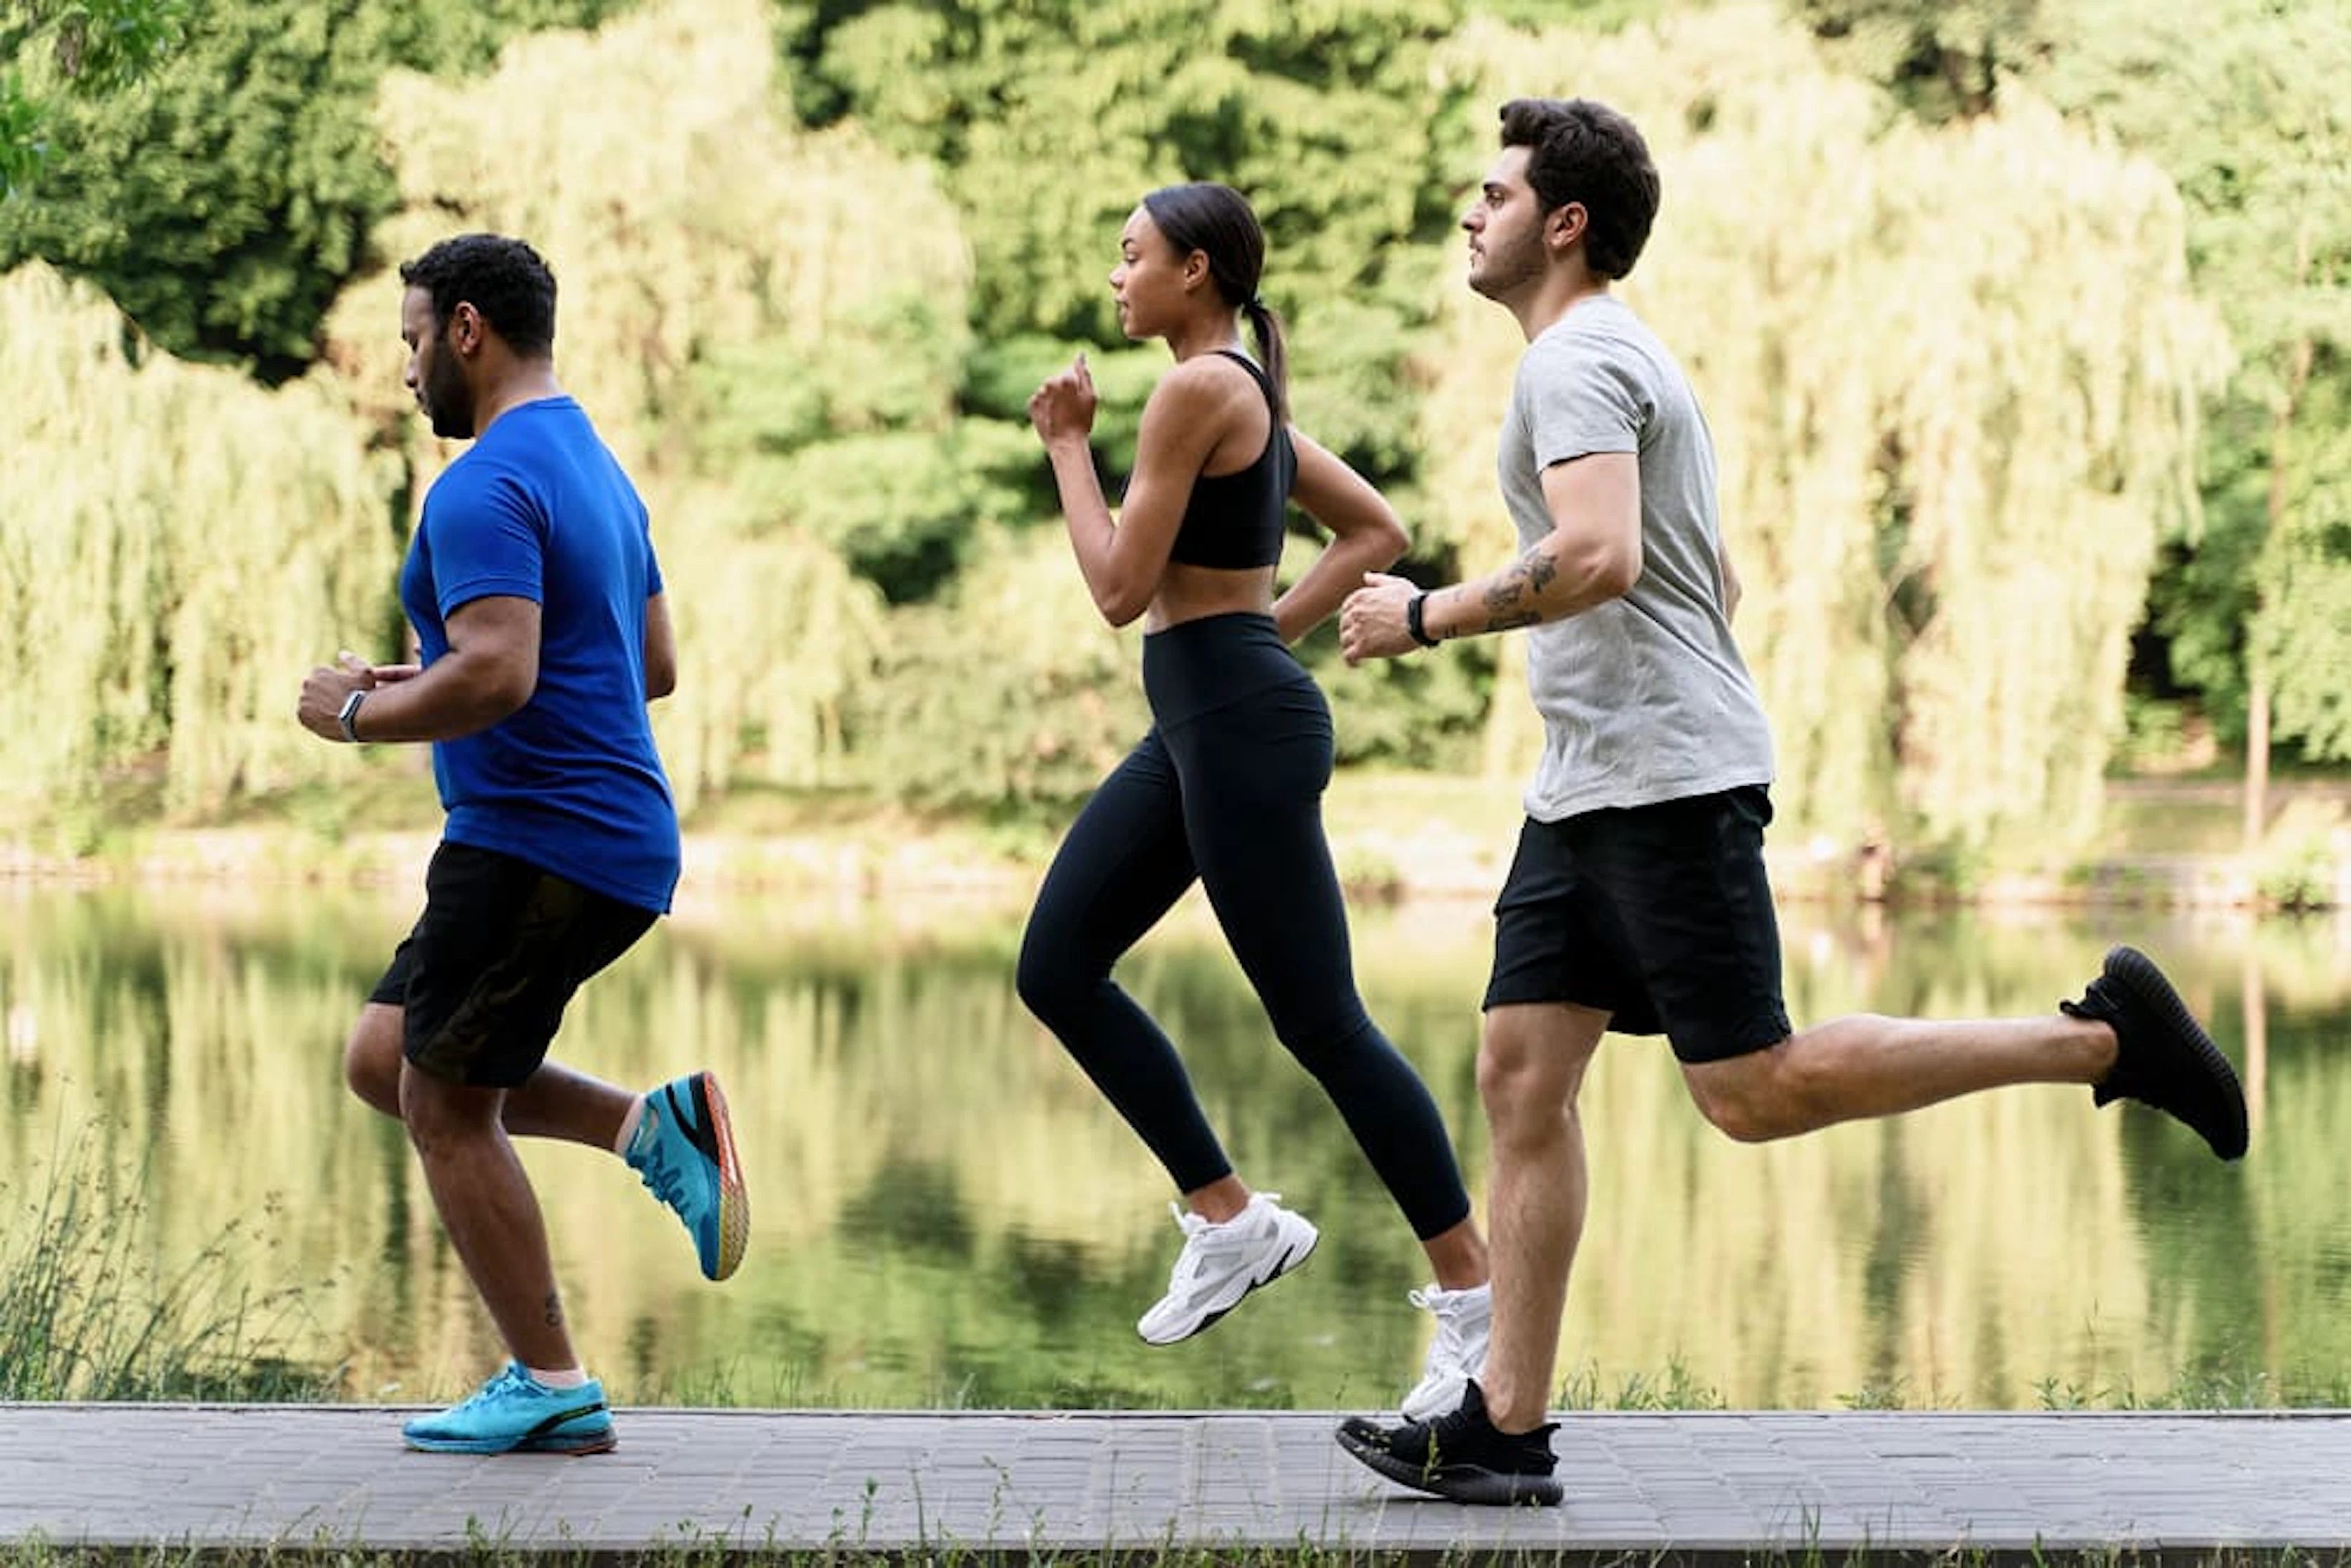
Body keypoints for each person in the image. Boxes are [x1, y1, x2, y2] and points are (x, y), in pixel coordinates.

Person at [1330, 98, 2249, 1507]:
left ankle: (2100, 1040)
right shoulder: (1612, 358)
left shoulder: (1575, 358)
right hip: (1594, 778)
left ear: (1560, 222)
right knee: (1521, 1069)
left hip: (1661, 777)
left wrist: (1428, 613)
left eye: (1492, 190)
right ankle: (1504, 1421)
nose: (1470, 212)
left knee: (1749, 1091)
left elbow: (1596, 555)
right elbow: (1716, 576)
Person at [1019, 182, 1492, 1416]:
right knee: (1057, 965)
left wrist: (1068, 445)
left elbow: (1121, 587)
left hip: (1232, 725)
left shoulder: (1197, 389)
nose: (1116, 277)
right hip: (1207, 720)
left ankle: (1479, 1302)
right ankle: (1228, 1220)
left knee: (1324, 1024)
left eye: (1133, 257)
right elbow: (1374, 529)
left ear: (1199, 272)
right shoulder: (1247, 398)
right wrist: (1265, 635)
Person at [297, 232, 749, 1455]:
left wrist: (355, 713)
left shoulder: (482, 482)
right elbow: (646, 665)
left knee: (443, 1107)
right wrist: (430, 674)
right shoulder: (598, 470)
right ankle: (645, 1127)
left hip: (538, 840)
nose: (404, 375)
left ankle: (550, 1379)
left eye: (409, 343)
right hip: (599, 835)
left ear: (466, 332)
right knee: (384, 1055)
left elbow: (500, 671)